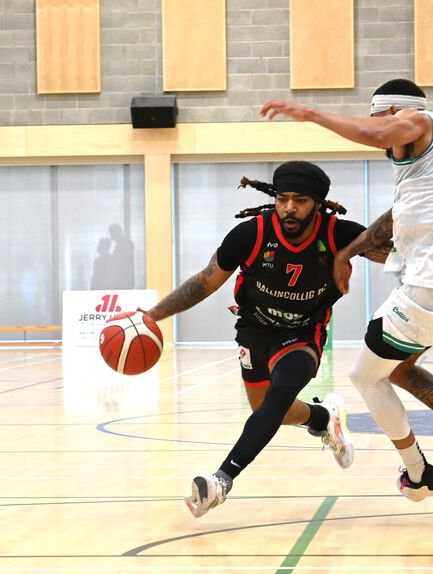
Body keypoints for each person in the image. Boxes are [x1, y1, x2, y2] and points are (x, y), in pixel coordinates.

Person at [260, 79, 433, 501]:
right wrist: (348, 252)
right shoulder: (428, 167)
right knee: (398, 369)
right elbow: (394, 219)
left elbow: (377, 132)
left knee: (364, 374)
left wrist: (311, 115)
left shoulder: (416, 120)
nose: (376, 128)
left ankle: (419, 474)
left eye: (376, 114)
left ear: (393, 112)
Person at [142, 161, 389, 518]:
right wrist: (152, 315)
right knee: (270, 410)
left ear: (318, 203)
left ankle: (220, 481)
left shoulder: (339, 235)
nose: (290, 207)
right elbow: (205, 282)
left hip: (304, 330)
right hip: (254, 329)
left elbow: (398, 255)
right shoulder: (250, 234)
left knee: (278, 396)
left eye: (300, 200)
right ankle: (322, 419)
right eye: (283, 198)